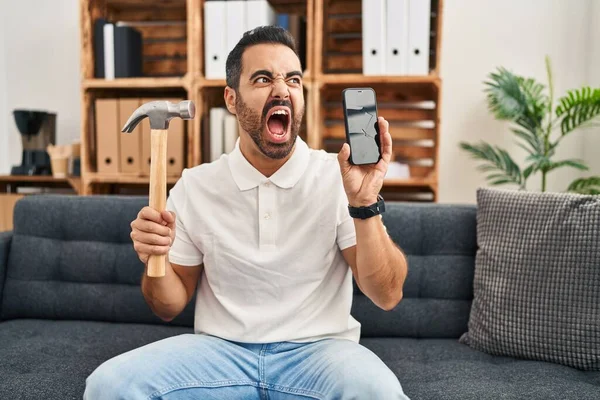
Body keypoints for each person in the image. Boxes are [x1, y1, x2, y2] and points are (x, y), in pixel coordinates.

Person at [84, 25, 410, 400]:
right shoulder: (196, 187)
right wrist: (155, 260)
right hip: (220, 353)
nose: (282, 89)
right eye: (262, 79)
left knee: (380, 393)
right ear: (232, 99)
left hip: (321, 353)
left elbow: (387, 295)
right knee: (108, 387)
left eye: (293, 79)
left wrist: (364, 204)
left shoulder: (336, 176)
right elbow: (168, 306)